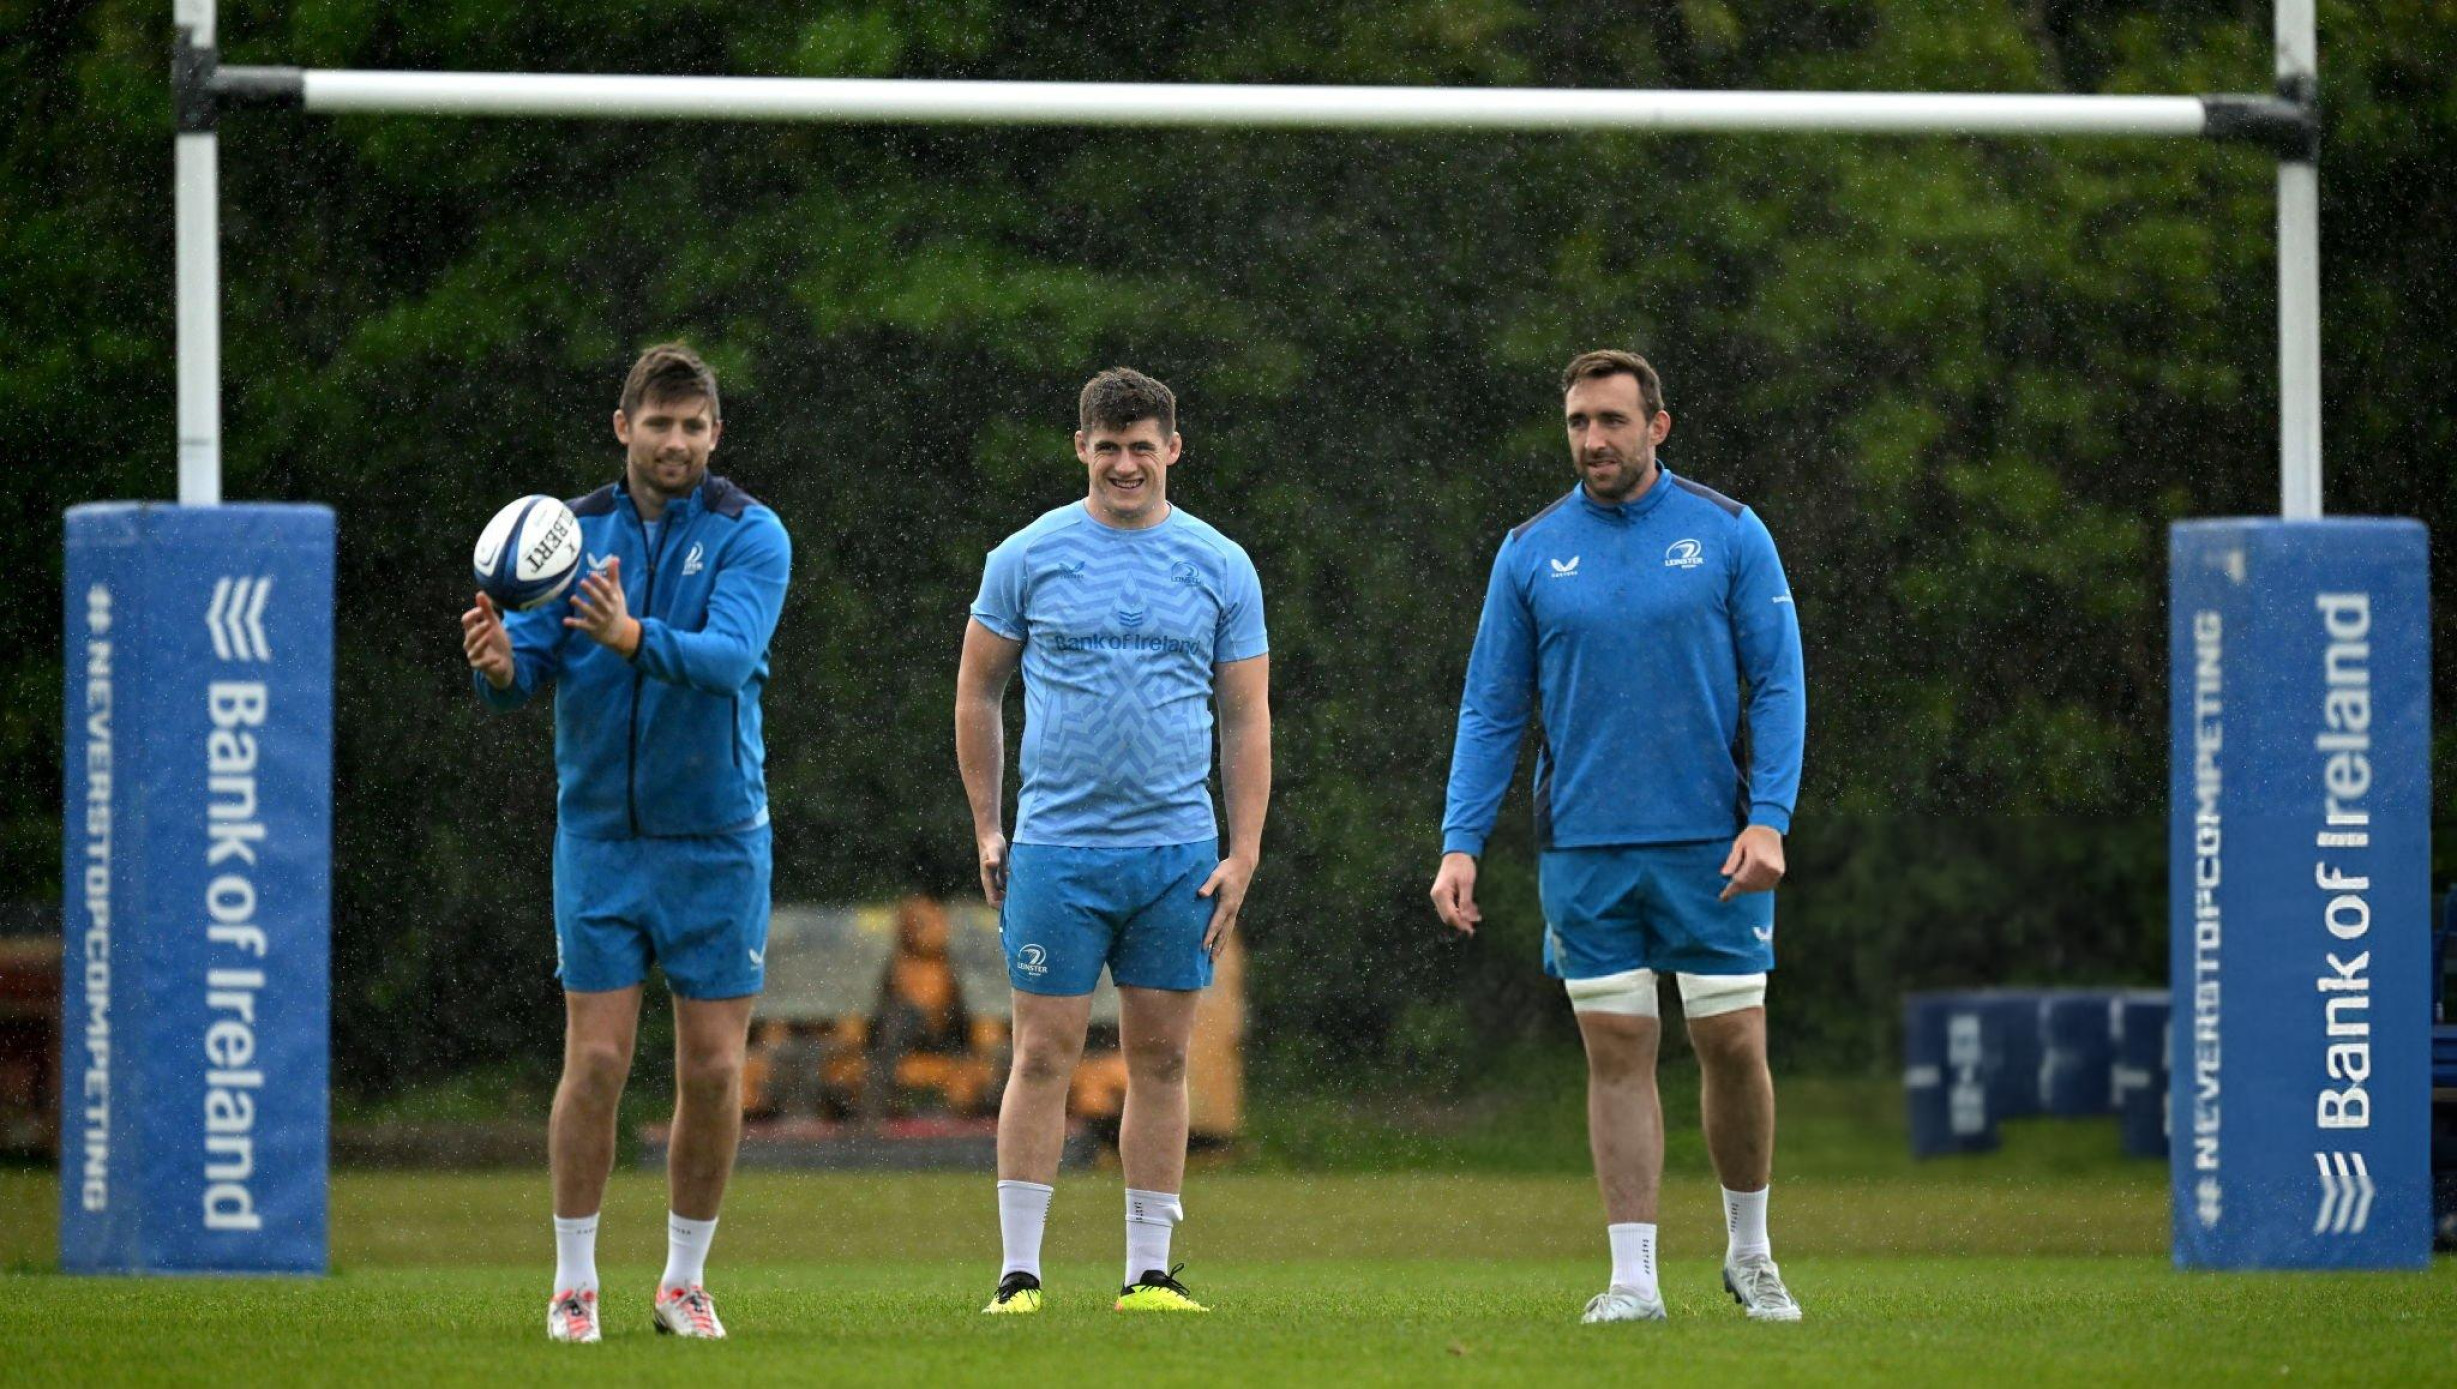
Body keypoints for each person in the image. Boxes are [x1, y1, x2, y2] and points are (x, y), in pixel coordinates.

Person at [1430, 349, 1806, 1324]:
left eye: (1611, 420)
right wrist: (1461, 841)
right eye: (1578, 422)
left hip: (1712, 844)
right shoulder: (1530, 550)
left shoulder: (1728, 532)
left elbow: (1778, 683)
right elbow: (1491, 708)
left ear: (1657, 426)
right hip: (1585, 847)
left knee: (1732, 1041)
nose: (1593, 439)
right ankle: (1634, 1279)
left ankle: (1750, 1254)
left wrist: (1768, 818)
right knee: (1617, 1050)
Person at [461, 342, 791, 1343]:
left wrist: (631, 635)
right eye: (658, 423)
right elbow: (527, 661)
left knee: (714, 1070)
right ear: (624, 428)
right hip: (601, 839)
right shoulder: (570, 533)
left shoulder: (750, 533)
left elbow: (729, 657)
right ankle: (574, 1285)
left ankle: (683, 1282)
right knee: (598, 1059)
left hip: (717, 841)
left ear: (715, 434)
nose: (675, 441)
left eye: (693, 426)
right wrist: (497, 667)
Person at [955, 367, 1271, 1316]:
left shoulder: (1220, 564)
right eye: (1107, 447)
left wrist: (1244, 849)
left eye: (1141, 447)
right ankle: (1018, 1274)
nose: (1124, 464)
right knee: (1041, 1053)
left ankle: (1149, 1273)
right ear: (1080, 449)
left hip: (1176, 854)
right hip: (1056, 850)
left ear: (1172, 449)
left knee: (1162, 1059)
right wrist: (988, 823)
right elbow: (977, 690)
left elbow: (1246, 716)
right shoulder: (1026, 556)